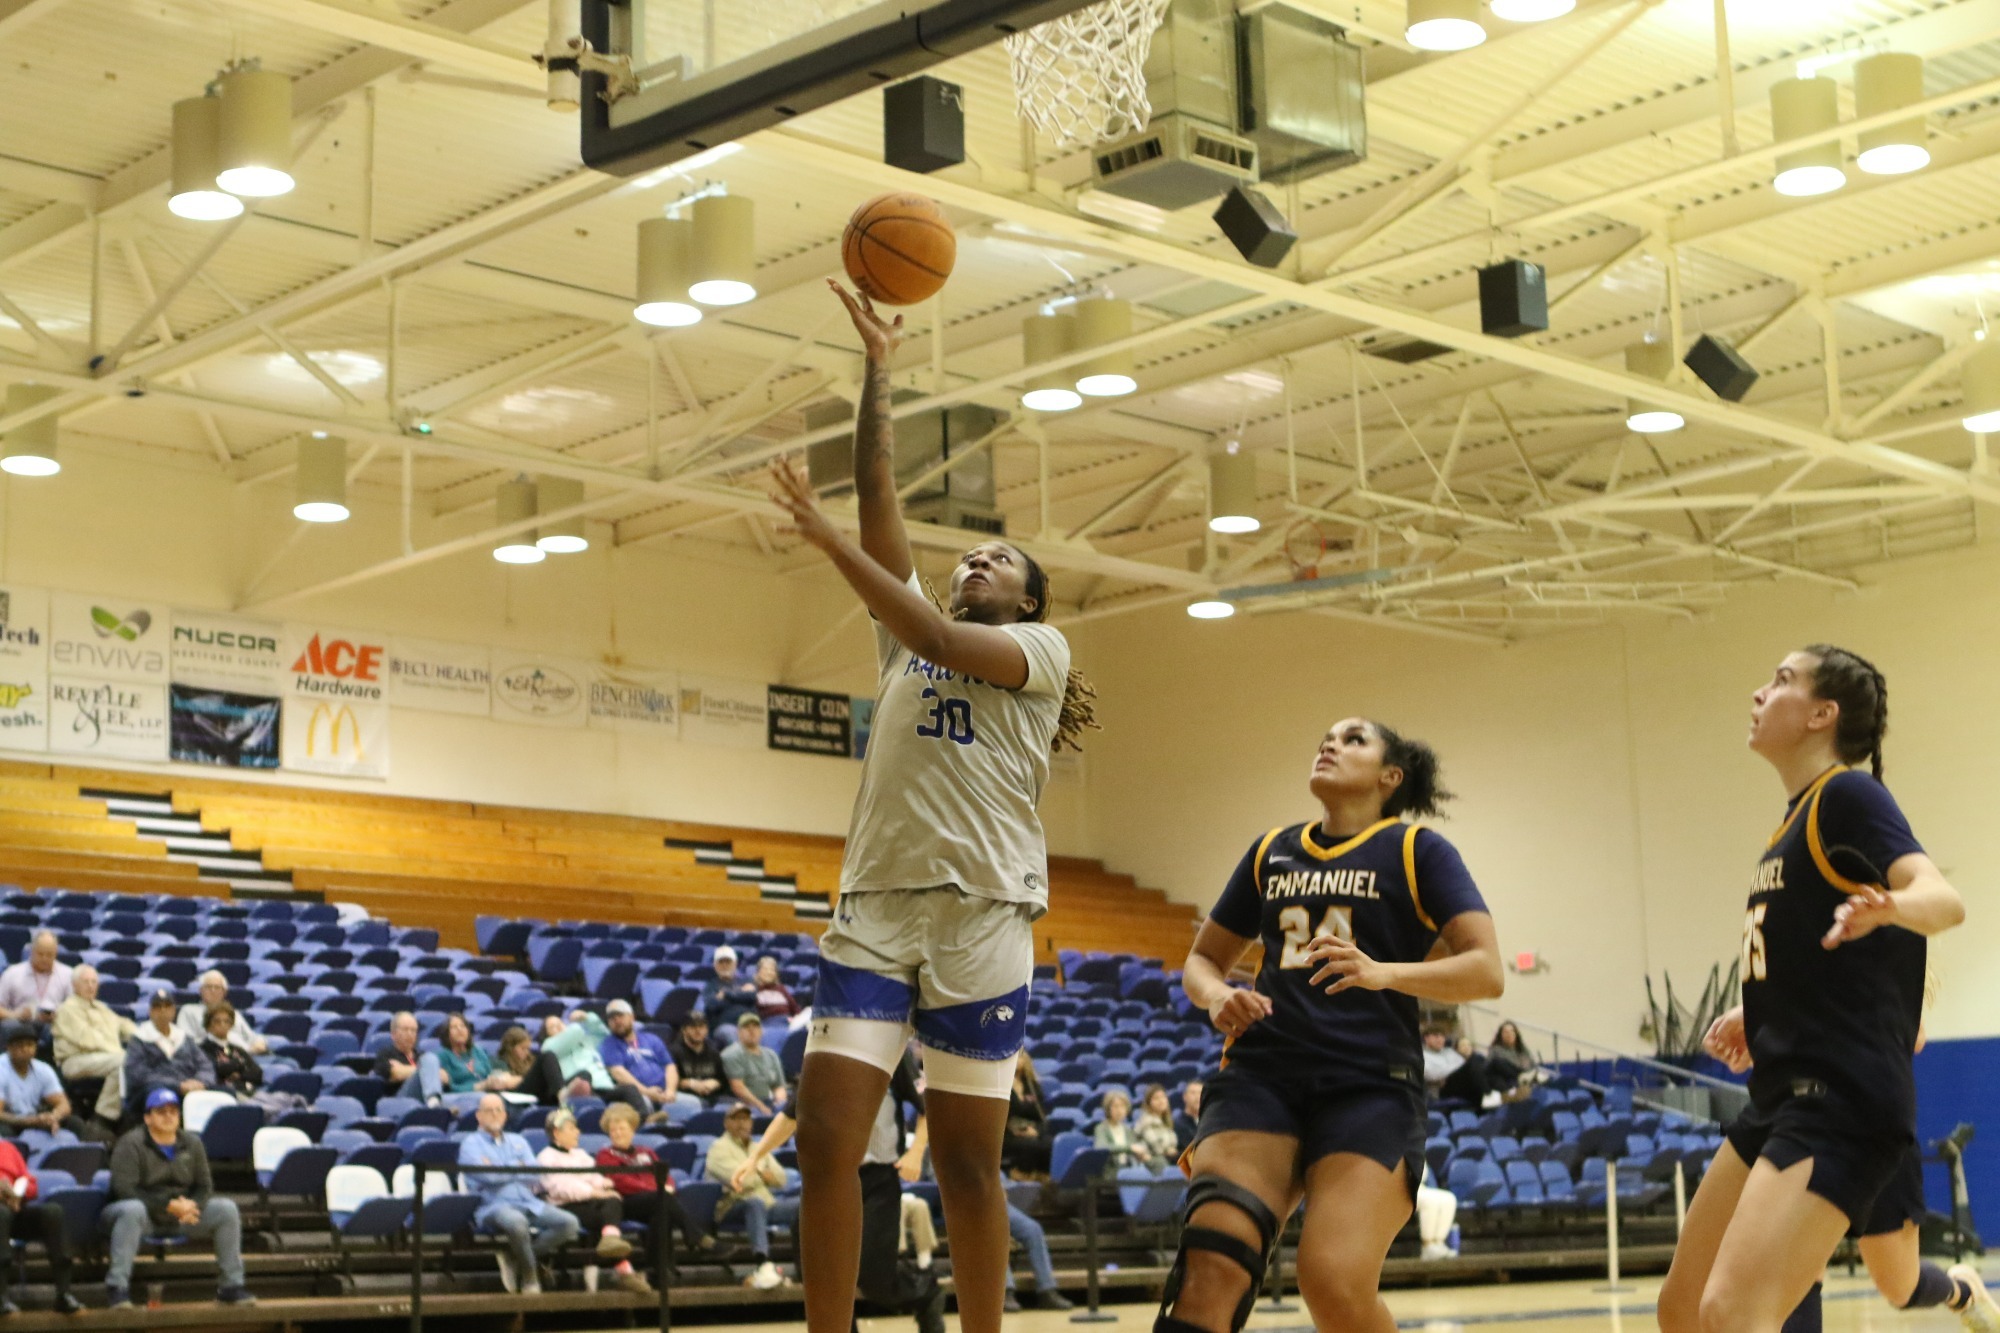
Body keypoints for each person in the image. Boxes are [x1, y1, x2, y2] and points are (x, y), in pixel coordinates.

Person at [767, 280, 1095, 1333]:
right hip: (874, 908)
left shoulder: (1037, 654)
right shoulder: (901, 640)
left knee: (963, 1159)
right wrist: (876, 368)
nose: (973, 560)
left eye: (996, 558)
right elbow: (879, 501)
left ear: (1029, 601)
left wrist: (828, 549)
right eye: (965, 556)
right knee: (823, 1136)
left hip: (982, 913)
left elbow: (944, 637)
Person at [1658, 646, 1972, 1333]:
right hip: (1781, 1094)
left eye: (1781, 680)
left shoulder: (1848, 794)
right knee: (1682, 1309)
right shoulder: (1791, 825)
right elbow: (1818, 954)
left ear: (1822, 714)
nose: (1758, 691)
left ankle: (1959, 1291)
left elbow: (1944, 901)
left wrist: (1892, 906)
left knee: (1737, 1310)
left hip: (1842, 1100)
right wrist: (1762, 1006)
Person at [1166, 716, 1502, 1333]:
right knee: (1213, 1260)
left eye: (1353, 740)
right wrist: (1216, 996)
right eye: (1325, 736)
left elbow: (1486, 970)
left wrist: (1386, 974)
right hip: (1262, 1075)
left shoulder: (1416, 850)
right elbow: (1204, 959)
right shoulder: (1272, 849)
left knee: (1332, 1281)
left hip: (1369, 1085)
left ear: (1389, 775)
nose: (1330, 744)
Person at [1708, 975, 1999, 1333]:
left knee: (1900, 1286)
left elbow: (1915, 1034)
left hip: (1871, 1124)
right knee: (1797, 1265)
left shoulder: (1879, 956)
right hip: (1802, 1120)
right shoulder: (1789, 950)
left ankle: (1962, 1292)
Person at [731, 1047, 940, 1329]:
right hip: (831, 1180)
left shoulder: (892, 1050)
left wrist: (916, 1151)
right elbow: (791, 1114)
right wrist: (756, 1156)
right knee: (819, 1266)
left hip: (878, 1180)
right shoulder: (822, 1049)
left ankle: (925, 1293)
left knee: (873, 1276)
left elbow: (927, 1103)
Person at [102, 1089, 253, 1308]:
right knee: (132, 1208)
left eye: (173, 1111)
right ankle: (117, 1288)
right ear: (147, 1117)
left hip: (179, 1217)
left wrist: (192, 1206)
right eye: (161, 1111)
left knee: (226, 1209)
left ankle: (231, 1287)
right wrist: (168, 1206)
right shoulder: (130, 1143)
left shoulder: (192, 1143)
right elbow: (124, 1189)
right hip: (137, 1217)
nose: (169, 1116)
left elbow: (204, 1186)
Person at [458, 1092, 581, 1295]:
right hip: (493, 1206)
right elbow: (489, 1178)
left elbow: (534, 1176)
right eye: (489, 1110)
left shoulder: (518, 1141)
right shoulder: (470, 1144)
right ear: (479, 1116)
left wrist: (503, 1168)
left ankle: (516, 1256)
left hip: (528, 1202)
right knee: (516, 1223)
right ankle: (530, 1275)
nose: (495, 1114)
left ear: (505, 1115)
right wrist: (517, 1165)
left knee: (570, 1224)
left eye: (499, 1110)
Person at [535, 1108, 644, 1292]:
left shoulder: (580, 1154)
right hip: (563, 1207)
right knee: (604, 1211)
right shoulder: (546, 1157)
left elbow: (594, 1177)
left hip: (588, 1202)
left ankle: (611, 1240)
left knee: (613, 1200)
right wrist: (595, 1192)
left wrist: (605, 1184)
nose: (578, 1132)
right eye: (572, 1128)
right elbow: (561, 1187)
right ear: (557, 1133)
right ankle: (624, 1269)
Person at [595, 1101, 701, 1266]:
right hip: (625, 1202)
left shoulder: (646, 1152)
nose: (617, 1133)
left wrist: (668, 1186)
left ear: (632, 1129)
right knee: (662, 1199)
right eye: (612, 1130)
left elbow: (663, 1175)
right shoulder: (605, 1155)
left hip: (653, 1201)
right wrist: (657, 1188)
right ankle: (696, 1236)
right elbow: (620, 1182)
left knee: (661, 1214)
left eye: (621, 1128)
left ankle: (660, 1272)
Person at [704, 1103, 787, 1290]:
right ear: (726, 1123)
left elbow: (782, 1179)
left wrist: (757, 1174)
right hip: (731, 1207)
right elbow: (740, 1181)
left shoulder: (759, 1146)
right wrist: (761, 1172)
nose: (743, 1124)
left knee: (804, 1207)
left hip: (768, 1204)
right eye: (737, 1119)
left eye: (746, 1119)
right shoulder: (718, 1148)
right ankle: (762, 1263)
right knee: (754, 1203)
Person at [0, 1133, 79, 1314]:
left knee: (53, 1212)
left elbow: (30, 1183)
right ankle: (0, 1297)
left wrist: (18, 1192)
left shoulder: (7, 1148)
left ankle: (64, 1294)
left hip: (14, 1208)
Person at [52, 964, 133, 1124]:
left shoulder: (102, 1008)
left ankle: (129, 1116)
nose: (90, 986)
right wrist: (119, 1053)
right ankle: (102, 1118)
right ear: (75, 985)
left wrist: (149, 1038)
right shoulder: (66, 1009)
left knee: (136, 1060)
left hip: (106, 1059)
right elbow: (88, 1040)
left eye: (94, 982)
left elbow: (124, 1025)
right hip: (75, 1061)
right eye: (86, 981)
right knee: (124, 1061)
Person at [0, 1022, 100, 1142]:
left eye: (29, 1045)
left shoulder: (43, 1069)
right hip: (10, 1121)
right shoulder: (2, 1068)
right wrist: (28, 1121)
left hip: (35, 1117)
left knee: (75, 1123)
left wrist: (53, 1117)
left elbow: (64, 1104)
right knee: (4, 1131)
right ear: (9, 1048)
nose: (25, 1049)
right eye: (20, 1045)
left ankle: (80, 1156)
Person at [123, 991, 215, 1115]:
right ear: (150, 1011)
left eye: (167, 1006)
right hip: (153, 1091)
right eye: (158, 1007)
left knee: (226, 1092)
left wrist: (200, 1082)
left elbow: (205, 1065)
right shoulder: (139, 1039)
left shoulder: (184, 1038)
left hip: (189, 1088)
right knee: (160, 1093)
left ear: (173, 1010)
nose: (163, 1011)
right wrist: (178, 1086)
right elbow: (138, 1074)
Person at [600, 1000, 688, 1119]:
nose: (616, 1021)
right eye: (612, 1018)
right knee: (643, 1105)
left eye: (620, 1016)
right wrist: (646, 1092)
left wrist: (670, 1091)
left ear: (632, 1017)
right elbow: (618, 1073)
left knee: (692, 1103)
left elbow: (669, 1066)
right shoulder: (609, 1044)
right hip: (638, 1096)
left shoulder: (652, 1039)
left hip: (665, 1093)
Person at [1001, 1199, 1073, 1313]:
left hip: (998, 1200)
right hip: (972, 1203)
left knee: (1033, 1229)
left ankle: (1047, 1289)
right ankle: (1005, 1292)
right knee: (995, 1229)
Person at [495, 1026, 589, 1108]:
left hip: (540, 1094)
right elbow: (505, 1082)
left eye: (528, 1048)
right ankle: (562, 1094)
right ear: (511, 1047)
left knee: (584, 1075)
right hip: (518, 1094)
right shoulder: (501, 1061)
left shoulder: (532, 1058)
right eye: (522, 1048)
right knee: (548, 1055)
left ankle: (567, 1097)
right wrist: (535, 1077)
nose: (526, 1052)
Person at [176, 973, 266, 1055]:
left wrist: (259, 1042)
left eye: (217, 987)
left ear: (224, 992)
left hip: (243, 1054)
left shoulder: (233, 1013)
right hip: (211, 1055)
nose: (213, 991)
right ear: (201, 990)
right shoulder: (188, 1010)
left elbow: (252, 1037)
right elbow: (186, 1042)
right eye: (208, 987)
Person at [372, 1012, 445, 1104]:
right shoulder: (385, 1054)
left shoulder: (422, 1055)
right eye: (405, 1030)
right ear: (393, 1034)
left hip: (424, 1096)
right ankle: (434, 1101)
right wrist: (428, 1071)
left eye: (413, 1030)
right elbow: (397, 1074)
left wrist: (407, 1070)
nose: (410, 1034)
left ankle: (434, 1100)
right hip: (400, 1099)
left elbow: (445, 1077)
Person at [722, 1014, 787, 1115]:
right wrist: (761, 1106)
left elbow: (779, 1086)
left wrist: (779, 1102)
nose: (752, 1031)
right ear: (738, 1032)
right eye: (746, 1027)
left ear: (761, 1031)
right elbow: (738, 1088)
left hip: (768, 1101)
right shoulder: (731, 1054)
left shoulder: (771, 1054)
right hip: (741, 1103)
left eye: (755, 1027)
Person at [435, 1013, 513, 1096]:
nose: (459, 1029)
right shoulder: (442, 1056)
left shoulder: (478, 1051)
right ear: (446, 1034)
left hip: (489, 1094)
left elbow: (489, 1074)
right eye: (454, 1027)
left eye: (463, 1026)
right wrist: (481, 1086)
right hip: (462, 1097)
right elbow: (449, 1088)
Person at [0, 933, 69, 1026]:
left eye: (49, 955)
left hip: (56, 1026)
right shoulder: (12, 973)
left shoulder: (68, 975)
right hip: (20, 1024)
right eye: (40, 954)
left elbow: (76, 1009)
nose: (44, 959)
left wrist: (59, 1015)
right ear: (31, 951)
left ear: (56, 953)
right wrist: (16, 1015)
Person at [197, 1004, 264, 1097]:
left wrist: (239, 1075)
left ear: (231, 1025)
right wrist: (241, 1065)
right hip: (226, 1094)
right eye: (217, 1021)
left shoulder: (237, 1049)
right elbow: (217, 1070)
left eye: (227, 1021)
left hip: (252, 1092)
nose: (222, 1025)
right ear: (208, 1025)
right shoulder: (202, 1049)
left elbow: (258, 1073)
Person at [1003, 1052, 1050, 1176]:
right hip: (1007, 1134)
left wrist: (1036, 1131)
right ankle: (1022, 1175)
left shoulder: (1032, 1086)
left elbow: (1041, 1116)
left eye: (1020, 1056)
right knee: (1031, 1144)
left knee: (1049, 1142)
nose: (1017, 1060)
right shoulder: (1001, 1086)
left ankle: (1042, 1178)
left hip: (1030, 1129)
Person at [669, 1013, 727, 1105]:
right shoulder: (674, 1052)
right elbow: (668, 1082)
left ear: (707, 1030)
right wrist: (690, 1083)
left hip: (714, 1097)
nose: (698, 1030)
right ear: (684, 1030)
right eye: (693, 1027)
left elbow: (724, 1080)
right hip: (687, 1099)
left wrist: (715, 1083)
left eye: (701, 1026)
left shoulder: (713, 1051)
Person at [702, 947, 759, 1030]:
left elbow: (752, 996)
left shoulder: (747, 980)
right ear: (715, 965)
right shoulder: (710, 985)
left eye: (728, 962)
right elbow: (712, 1005)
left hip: (750, 1024)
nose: (724, 965)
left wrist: (725, 994)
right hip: (725, 1026)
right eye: (721, 962)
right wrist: (741, 993)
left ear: (735, 963)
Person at [1093, 1090, 1146, 1174]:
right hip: (1110, 1172)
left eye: (1122, 1106)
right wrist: (1129, 1148)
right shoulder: (1101, 1128)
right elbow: (1101, 1147)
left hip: (1127, 1170)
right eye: (1115, 1106)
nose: (1119, 1110)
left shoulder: (1127, 1130)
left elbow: (1135, 1148)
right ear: (1108, 1109)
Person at [1416, 1163, 1459, 1261]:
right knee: (1430, 1201)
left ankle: (1438, 1242)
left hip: (1420, 1187)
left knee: (1449, 1198)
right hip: (1402, 1189)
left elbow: (1423, 1174)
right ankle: (1427, 1245)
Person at [1134, 1085, 1179, 1171]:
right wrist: (1169, 1149)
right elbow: (1158, 1149)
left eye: (1163, 1097)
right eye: (1156, 1098)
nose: (1161, 1101)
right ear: (1149, 1103)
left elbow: (1173, 1146)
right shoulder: (1146, 1122)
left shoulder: (1166, 1122)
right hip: (1153, 1163)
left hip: (1167, 1159)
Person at [752, 957, 801, 1022]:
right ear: (758, 973)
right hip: (767, 1024)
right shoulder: (754, 989)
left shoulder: (781, 989)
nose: (769, 972)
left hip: (787, 1021)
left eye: (772, 970)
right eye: (765, 969)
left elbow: (795, 1009)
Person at [1420, 1026, 1462, 1100]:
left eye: (1442, 1036)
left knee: (1476, 1060)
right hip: (1437, 1092)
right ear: (1426, 1038)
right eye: (1436, 1036)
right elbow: (1432, 1074)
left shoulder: (1450, 1052)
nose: (1440, 1039)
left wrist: (1445, 1073)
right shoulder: (1421, 1054)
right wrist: (1453, 1070)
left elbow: (1463, 1067)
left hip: (1458, 1085)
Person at [1174, 1081, 1204, 1155]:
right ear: (1185, 1097)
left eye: (1201, 1093)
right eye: (1193, 1093)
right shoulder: (1178, 1124)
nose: (1197, 1097)